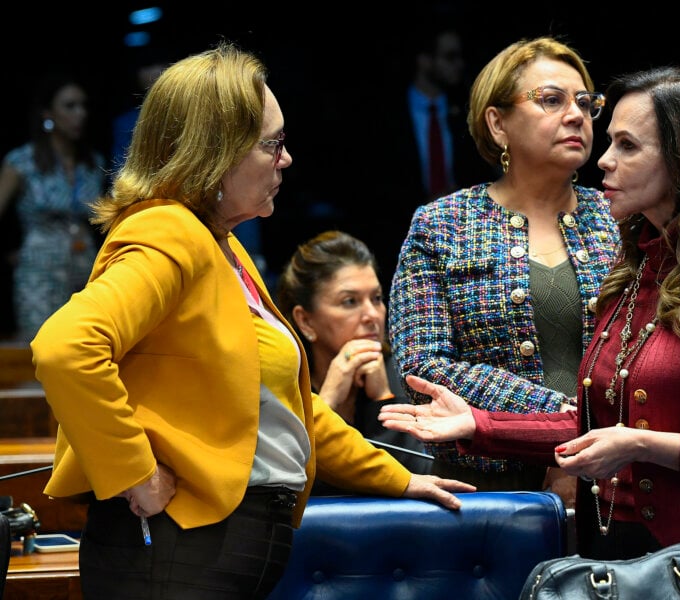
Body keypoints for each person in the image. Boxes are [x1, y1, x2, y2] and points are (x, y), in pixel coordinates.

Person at [29, 41, 474, 600]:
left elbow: (291, 405)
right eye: (273, 143)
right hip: (173, 553)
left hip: (207, 554)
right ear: (214, 152)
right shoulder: (170, 230)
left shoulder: (224, 247)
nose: (286, 159)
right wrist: (134, 473)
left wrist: (398, 479)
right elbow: (65, 348)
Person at [381, 66, 680, 598]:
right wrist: (478, 424)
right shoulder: (636, 265)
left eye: (626, 145)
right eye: (609, 140)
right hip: (629, 560)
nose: (604, 159)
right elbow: (598, 424)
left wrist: (646, 444)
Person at [388, 36, 621, 508]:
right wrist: (561, 418)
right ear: (497, 124)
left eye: (584, 102)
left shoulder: (623, 220)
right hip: (484, 488)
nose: (575, 115)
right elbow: (423, 366)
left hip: (616, 479)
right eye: (551, 100)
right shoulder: (442, 224)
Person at [275, 229, 433, 494]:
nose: (372, 314)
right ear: (305, 321)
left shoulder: (408, 373)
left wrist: (383, 400)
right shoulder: (285, 383)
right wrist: (325, 406)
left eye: (377, 298)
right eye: (350, 301)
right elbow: (286, 483)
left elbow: (423, 476)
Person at [366, 19, 497, 288]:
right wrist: (424, 204)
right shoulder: (387, 115)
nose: (458, 65)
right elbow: (374, 180)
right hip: (398, 234)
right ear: (425, 60)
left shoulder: (467, 112)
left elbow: (482, 169)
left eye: (459, 56)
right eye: (449, 57)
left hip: (462, 231)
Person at [0, 72, 107, 341]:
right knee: (40, 349)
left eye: (83, 105)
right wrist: (10, 253)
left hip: (83, 269)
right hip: (39, 272)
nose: (80, 113)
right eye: (70, 106)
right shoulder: (22, 161)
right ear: (48, 113)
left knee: (82, 346)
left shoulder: (92, 163)